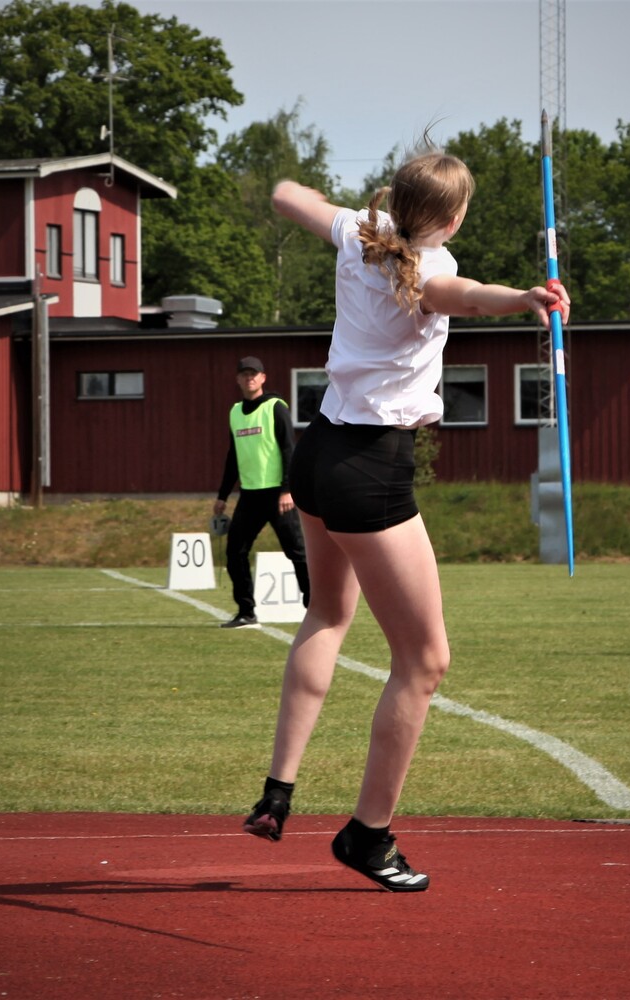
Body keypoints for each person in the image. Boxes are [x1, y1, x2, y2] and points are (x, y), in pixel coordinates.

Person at [242, 146, 571, 891]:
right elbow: (467, 295)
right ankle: (367, 835)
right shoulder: (425, 265)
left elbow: (287, 195)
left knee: (328, 615)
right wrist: (527, 298)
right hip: (370, 469)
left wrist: (321, 198)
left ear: (395, 199)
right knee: (424, 662)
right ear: (452, 219)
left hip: (318, 452)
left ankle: (277, 792)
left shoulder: (356, 231)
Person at [214, 356, 310, 628]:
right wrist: (222, 496)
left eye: (254, 374)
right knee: (235, 552)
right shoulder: (235, 412)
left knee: (297, 553)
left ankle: (315, 608)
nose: (249, 378)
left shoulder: (275, 407)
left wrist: (288, 489)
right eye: (244, 374)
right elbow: (233, 457)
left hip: (278, 496)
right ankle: (246, 611)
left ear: (263, 378)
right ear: (238, 379)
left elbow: (289, 450)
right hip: (249, 497)